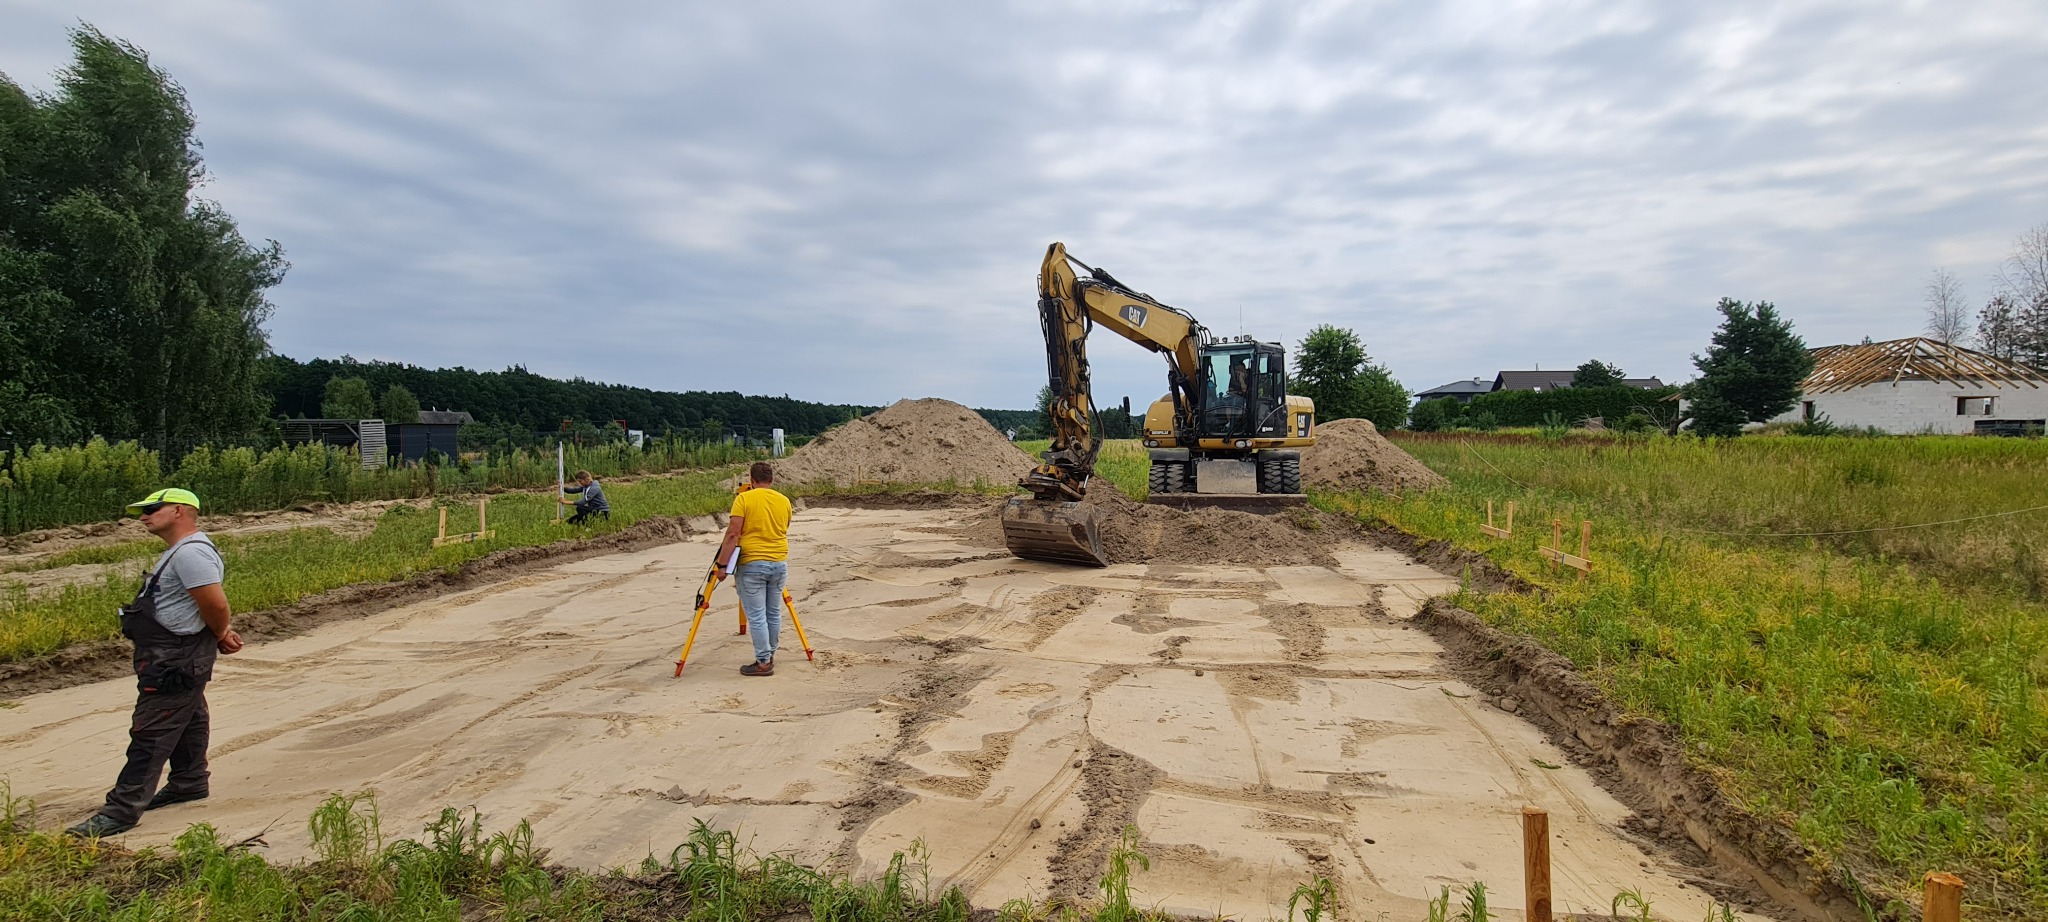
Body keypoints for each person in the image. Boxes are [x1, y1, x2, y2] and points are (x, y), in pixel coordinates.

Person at [66, 488, 242, 838]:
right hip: (169, 653)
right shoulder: (180, 551)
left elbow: (215, 604)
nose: (143, 516)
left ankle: (121, 810)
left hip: (176, 656)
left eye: (152, 508)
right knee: (189, 714)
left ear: (179, 511)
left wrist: (221, 631)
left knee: (152, 728)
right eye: (141, 511)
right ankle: (189, 782)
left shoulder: (192, 553)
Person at [714, 461, 792, 676]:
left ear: (751, 479)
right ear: (772, 480)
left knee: (757, 616)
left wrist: (722, 565)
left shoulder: (743, 499)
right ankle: (770, 654)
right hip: (779, 562)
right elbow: (784, 527)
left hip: (752, 564)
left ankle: (763, 662)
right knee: (773, 613)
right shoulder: (784, 500)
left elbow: (733, 534)